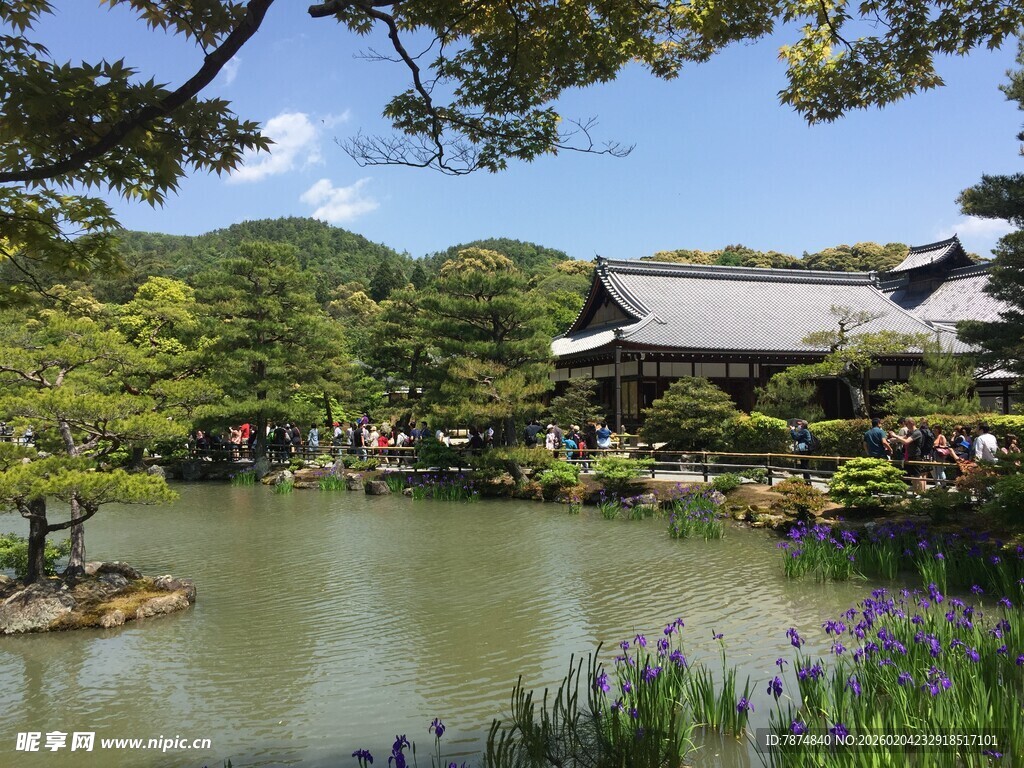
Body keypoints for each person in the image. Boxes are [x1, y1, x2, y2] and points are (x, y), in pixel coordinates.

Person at [892, 417, 927, 493]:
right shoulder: (910, 432)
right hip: (909, 456)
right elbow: (903, 438)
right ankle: (916, 491)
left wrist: (895, 436)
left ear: (911, 423)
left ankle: (920, 493)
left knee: (918, 475)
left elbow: (906, 441)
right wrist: (892, 440)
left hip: (916, 456)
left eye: (907, 424)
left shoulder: (917, 433)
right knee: (913, 476)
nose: (906, 426)